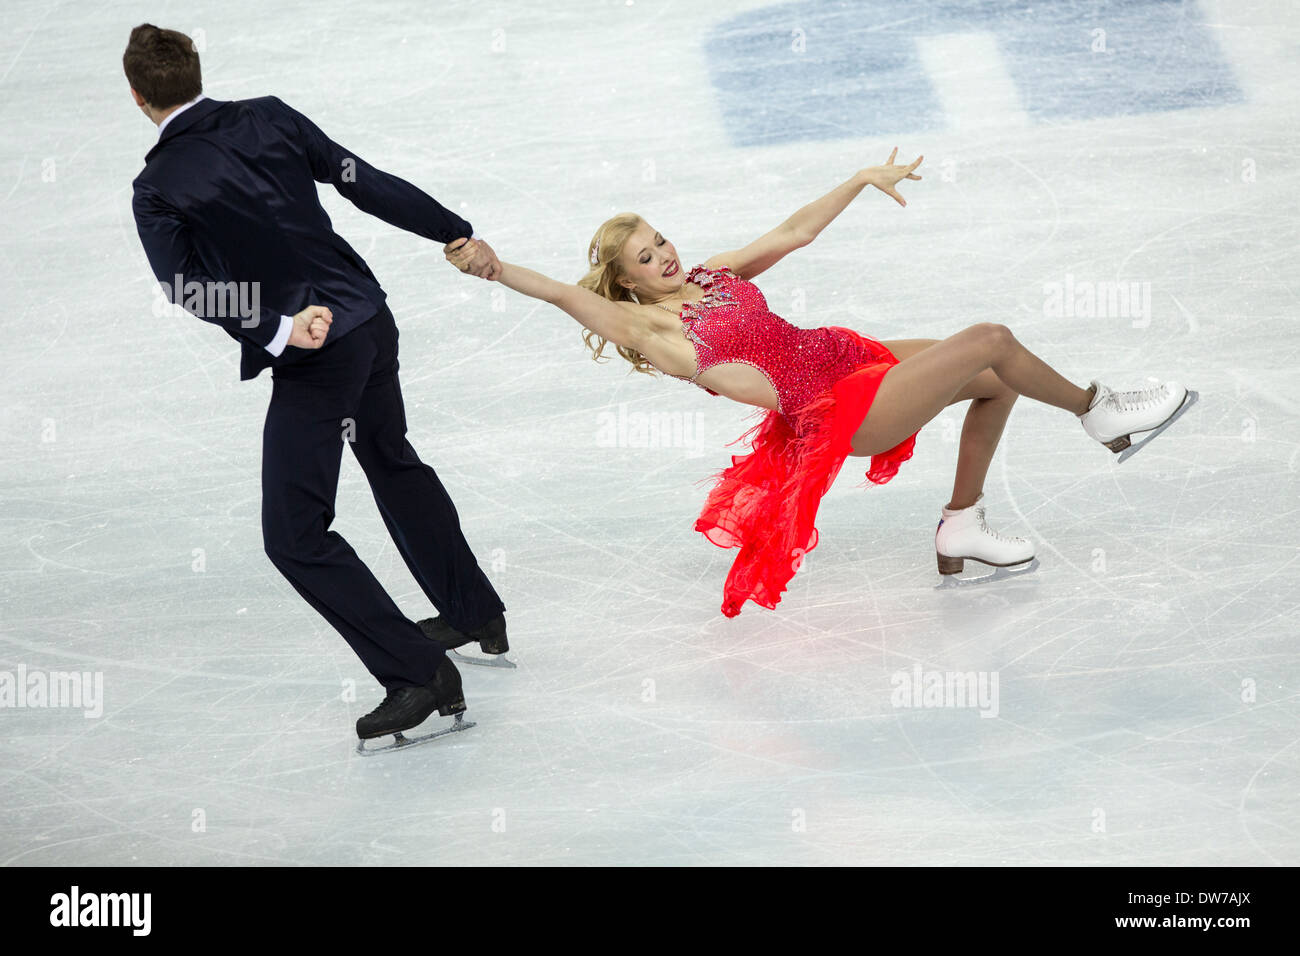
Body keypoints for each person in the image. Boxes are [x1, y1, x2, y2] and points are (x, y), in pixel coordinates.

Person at [445, 150, 1192, 617]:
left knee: (996, 376)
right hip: (837, 410)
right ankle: (1103, 413)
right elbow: (561, 296)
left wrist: (860, 180)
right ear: (626, 284)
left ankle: (961, 524)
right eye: (645, 257)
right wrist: (497, 268)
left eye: (661, 240)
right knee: (990, 339)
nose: (665, 256)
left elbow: (793, 232)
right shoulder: (655, 332)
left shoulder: (713, 275)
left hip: (847, 357)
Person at [124, 23, 508, 743]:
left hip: (319, 355)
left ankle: (417, 671)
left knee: (294, 535)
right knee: (389, 458)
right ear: (196, 72)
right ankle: (470, 609)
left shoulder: (157, 186)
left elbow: (185, 285)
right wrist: (452, 230)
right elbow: (360, 178)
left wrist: (275, 329)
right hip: (369, 319)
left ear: (138, 95)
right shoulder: (269, 113)